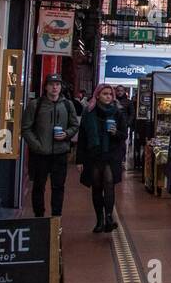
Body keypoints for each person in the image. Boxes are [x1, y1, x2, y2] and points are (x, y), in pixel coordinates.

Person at [22, 75, 81, 220]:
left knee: (58, 186)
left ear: (61, 87)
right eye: (51, 84)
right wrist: (36, 145)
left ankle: (56, 217)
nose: (54, 87)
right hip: (40, 154)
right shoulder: (35, 105)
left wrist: (66, 134)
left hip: (60, 153)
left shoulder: (67, 105)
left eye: (57, 84)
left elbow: (75, 125)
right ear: (46, 87)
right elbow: (26, 128)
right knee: (38, 186)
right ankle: (39, 216)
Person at [77, 83, 130, 233]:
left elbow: (124, 135)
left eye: (110, 94)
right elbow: (83, 137)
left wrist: (115, 133)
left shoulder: (117, 112)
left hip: (111, 155)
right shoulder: (89, 112)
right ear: (98, 95)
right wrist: (79, 160)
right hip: (93, 154)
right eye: (105, 94)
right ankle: (99, 219)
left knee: (109, 184)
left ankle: (108, 217)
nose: (108, 97)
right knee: (96, 187)